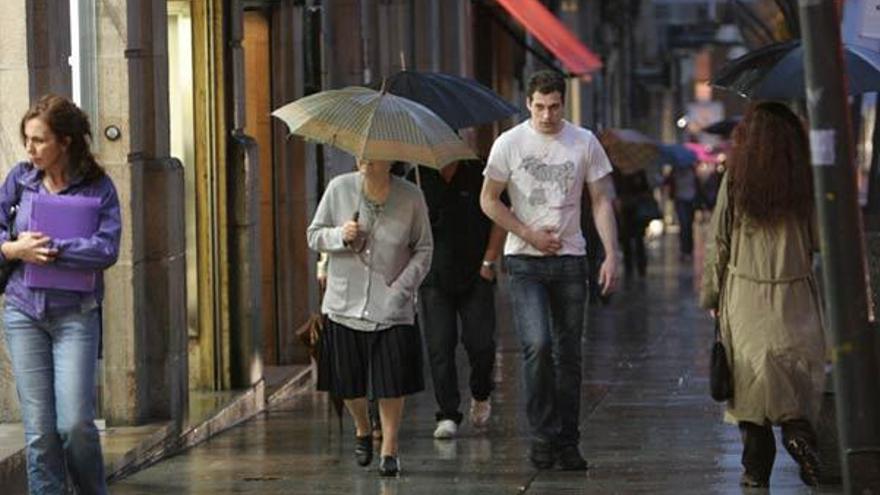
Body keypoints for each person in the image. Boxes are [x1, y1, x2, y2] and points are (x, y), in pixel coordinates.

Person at [480, 70, 620, 471]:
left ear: (564, 102)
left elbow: (600, 201)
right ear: (528, 103)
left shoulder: (583, 141)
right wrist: (527, 232)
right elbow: (489, 200)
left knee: (569, 354)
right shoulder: (509, 143)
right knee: (537, 346)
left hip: (572, 260)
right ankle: (543, 436)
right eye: (539, 107)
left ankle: (567, 440)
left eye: (554, 106)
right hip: (525, 261)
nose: (547, 115)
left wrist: (612, 253)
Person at [700, 101, 825, 488]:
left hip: (745, 293)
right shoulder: (807, 181)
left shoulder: (736, 179)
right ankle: (798, 435)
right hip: (794, 293)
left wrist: (712, 295)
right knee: (791, 377)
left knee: (751, 389)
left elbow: (718, 241)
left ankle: (756, 472)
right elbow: (822, 239)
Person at [0, 94, 121, 494]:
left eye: (39, 140)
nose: (30, 149)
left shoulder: (98, 187)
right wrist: (14, 247)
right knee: (39, 432)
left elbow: (106, 248)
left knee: (74, 425)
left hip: (75, 316)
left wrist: (52, 250)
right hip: (23, 313)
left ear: (65, 142)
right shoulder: (19, 179)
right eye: (28, 139)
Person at [307, 158, 432, 477]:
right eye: (361, 150)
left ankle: (389, 448)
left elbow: (424, 249)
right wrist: (340, 235)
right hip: (344, 303)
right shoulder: (339, 189)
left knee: (392, 381)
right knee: (349, 382)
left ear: (390, 157)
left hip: (392, 304)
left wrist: (402, 288)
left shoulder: (411, 196)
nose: (364, 156)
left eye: (373, 151)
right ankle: (362, 427)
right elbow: (314, 235)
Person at [409, 160, 505, 439]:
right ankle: (448, 412)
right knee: (440, 346)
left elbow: (499, 215)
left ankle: (481, 391)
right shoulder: (416, 177)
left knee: (481, 344)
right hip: (434, 277)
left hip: (476, 274)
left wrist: (489, 262)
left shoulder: (478, 172)